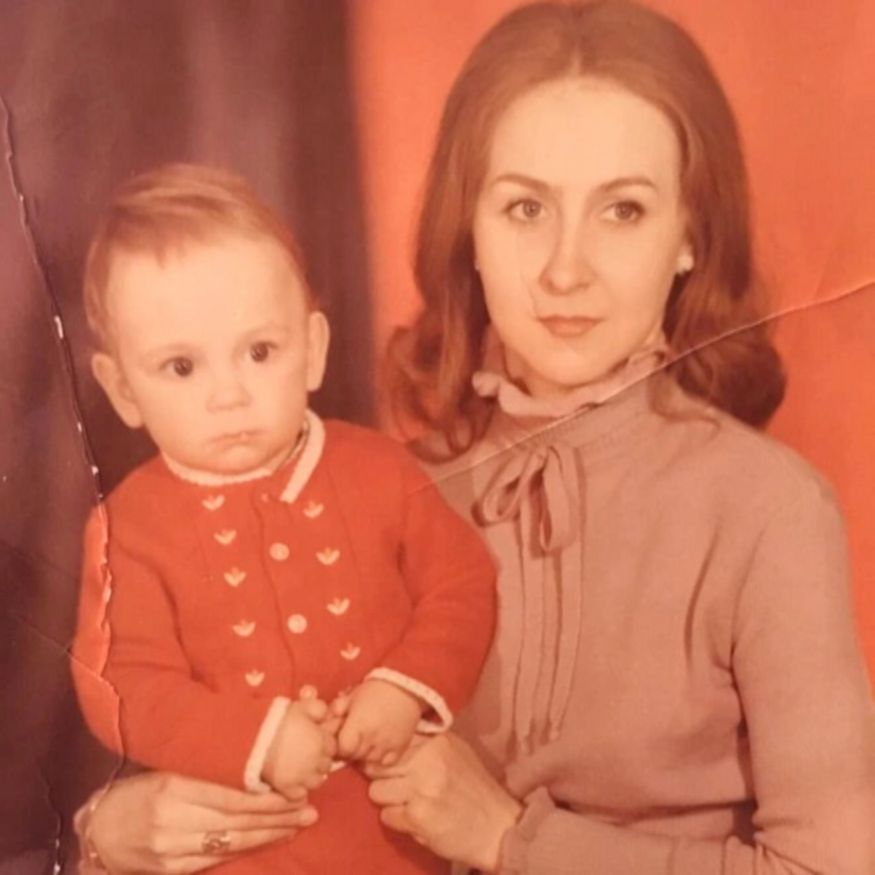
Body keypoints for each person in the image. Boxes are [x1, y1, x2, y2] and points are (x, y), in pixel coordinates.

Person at [73, 2, 875, 874]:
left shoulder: (767, 511)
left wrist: (507, 837)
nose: (565, 269)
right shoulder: (389, 485)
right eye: (525, 207)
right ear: (470, 232)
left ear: (689, 234)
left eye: (622, 211)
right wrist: (110, 826)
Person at [70, 163, 496, 874]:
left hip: (388, 843)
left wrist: (405, 685)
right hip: (236, 848)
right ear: (123, 390)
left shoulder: (380, 469)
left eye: (259, 352)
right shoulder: (127, 529)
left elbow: (461, 584)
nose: (228, 394)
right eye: (182, 367)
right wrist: (255, 736)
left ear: (313, 349)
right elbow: (122, 681)